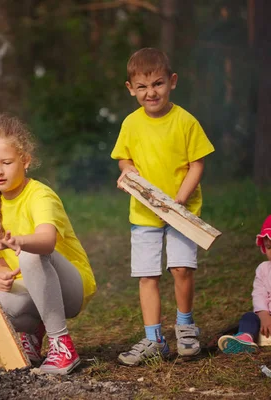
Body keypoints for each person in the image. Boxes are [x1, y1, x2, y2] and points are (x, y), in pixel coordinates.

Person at [111, 48, 215, 366]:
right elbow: (124, 159)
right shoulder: (130, 124)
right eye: (141, 87)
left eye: (157, 84)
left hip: (181, 212)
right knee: (147, 276)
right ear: (130, 88)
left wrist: (178, 202)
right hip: (144, 213)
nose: (150, 92)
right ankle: (154, 339)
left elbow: (197, 165)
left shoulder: (185, 121)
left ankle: (185, 327)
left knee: (181, 268)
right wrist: (128, 173)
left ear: (172, 81)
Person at [0, 113, 97, 375]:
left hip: (70, 288)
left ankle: (62, 345)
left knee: (30, 254)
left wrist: (18, 241)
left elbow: (47, 241)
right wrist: (3, 278)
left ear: (25, 160)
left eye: (6, 162)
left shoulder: (40, 195)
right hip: (33, 291)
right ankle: (31, 334)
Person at [218, 215, 271, 354]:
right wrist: (264, 314)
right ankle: (245, 339)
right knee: (249, 317)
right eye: (269, 247)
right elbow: (259, 294)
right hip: (266, 317)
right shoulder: (263, 269)